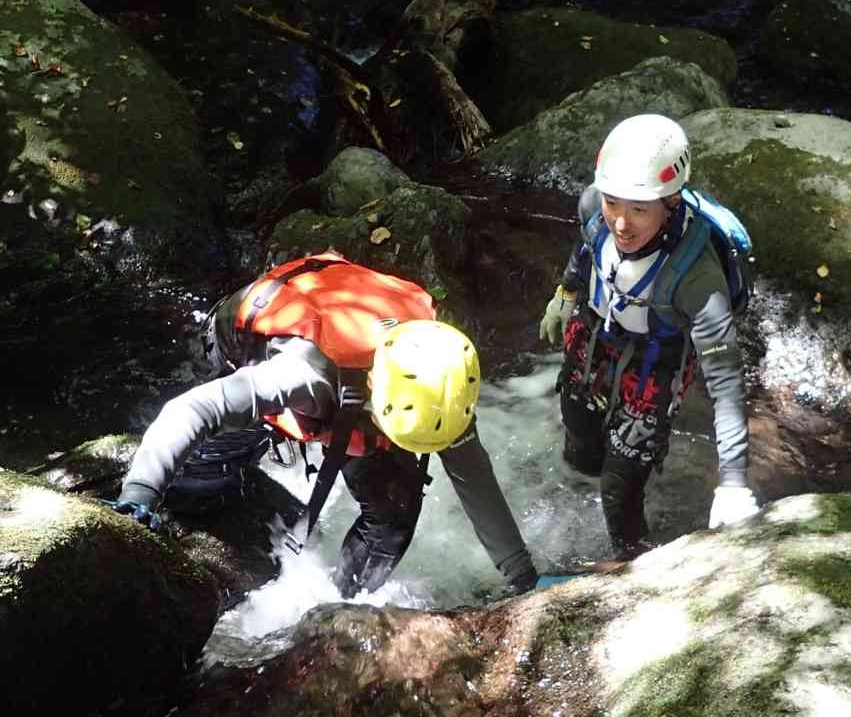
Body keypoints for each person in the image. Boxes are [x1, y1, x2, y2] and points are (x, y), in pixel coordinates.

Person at [114, 249, 540, 596]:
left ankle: (342, 602)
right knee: (210, 479)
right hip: (251, 343)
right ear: (380, 399)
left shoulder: (441, 383)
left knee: (393, 516)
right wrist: (140, 495)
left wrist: (524, 578)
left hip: (346, 381)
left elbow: (476, 480)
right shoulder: (305, 375)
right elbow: (193, 410)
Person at [537, 113, 759, 559]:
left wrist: (733, 481)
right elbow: (585, 251)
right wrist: (565, 292)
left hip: (657, 362)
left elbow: (727, 384)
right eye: (614, 203)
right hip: (595, 338)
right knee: (578, 439)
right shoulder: (592, 208)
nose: (622, 223)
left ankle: (632, 566)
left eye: (639, 209)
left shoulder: (697, 278)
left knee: (619, 488)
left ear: (671, 202)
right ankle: (583, 491)